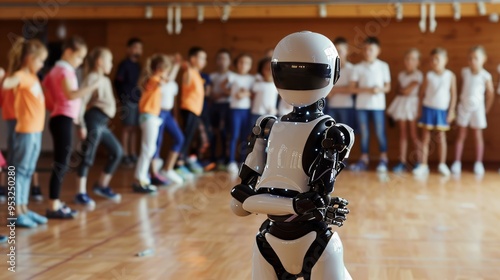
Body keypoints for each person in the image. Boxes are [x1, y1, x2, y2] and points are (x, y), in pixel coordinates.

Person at [43, 36, 100, 219]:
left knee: (63, 162)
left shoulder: (57, 70)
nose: (81, 62)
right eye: (79, 57)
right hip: (62, 119)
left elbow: (48, 93)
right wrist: (92, 87)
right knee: (61, 163)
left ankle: (56, 201)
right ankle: (53, 204)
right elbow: (71, 95)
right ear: (68, 52)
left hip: (63, 118)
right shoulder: (63, 71)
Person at [2, 37, 48, 227]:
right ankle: (14, 212)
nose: (42, 64)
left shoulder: (33, 77)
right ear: (29, 58)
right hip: (25, 130)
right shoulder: (21, 75)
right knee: (18, 170)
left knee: (28, 170)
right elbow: (6, 84)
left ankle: (23, 208)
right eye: (40, 60)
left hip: (36, 131)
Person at [75, 47, 123, 207]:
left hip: (103, 122)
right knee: (88, 156)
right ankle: (80, 192)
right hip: (93, 120)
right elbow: (81, 102)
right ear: (100, 62)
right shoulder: (92, 78)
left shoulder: (106, 80)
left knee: (117, 152)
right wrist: (81, 124)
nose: (111, 64)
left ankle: (102, 185)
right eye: (109, 60)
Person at [413, 48, 457, 176]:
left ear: (445, 60)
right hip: (428, 109)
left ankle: (442, 164)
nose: (434, 62)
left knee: (441, 138)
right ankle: (423, 165)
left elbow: (453, 94)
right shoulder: (429, 75)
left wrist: (451, 111)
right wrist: (419, 109)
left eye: (437, 59)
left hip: (442, 111)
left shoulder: (450, 75)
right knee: (425, 138)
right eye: (432, 59)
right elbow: (421, 94)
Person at [349, 37, 391, 172]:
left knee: (380, 132)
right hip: (362, 106)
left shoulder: (383, 66)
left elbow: (387, 87)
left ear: (378, 51)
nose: (368, 52)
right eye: (365, 49)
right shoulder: (357, 67)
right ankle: (364, 158)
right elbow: (352, 88)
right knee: (364, 134)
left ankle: (383, 159)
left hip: (378, 106)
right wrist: (368, 90)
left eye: (371, 49)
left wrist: (379, 90)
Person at [450, 46, 494, 176]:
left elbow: (490, 93)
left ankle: (478, 163)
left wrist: (486, 108)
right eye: (470, 58)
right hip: (464, 108)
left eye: (476, 58)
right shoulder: (464, 72)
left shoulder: (485, 75)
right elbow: (459, 88)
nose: (472, 61)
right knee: (461, 135)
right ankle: (457, 162)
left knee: (477, 135)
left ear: (483, 59)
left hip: (478, 109)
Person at [133, 54, 172, 193]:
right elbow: (160, 82)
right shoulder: (153, 79)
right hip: (148, 117)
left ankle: (143, 177)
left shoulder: (155, 79)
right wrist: (163, 77)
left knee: (149, 149)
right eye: (167, 69)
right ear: (161, 68)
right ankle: (140, 179)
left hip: (151, 117)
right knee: (148, 149)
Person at [387, 48, 424, 172]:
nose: (409, 62)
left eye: (413, 59)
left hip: (412, 105)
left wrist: (403, 91)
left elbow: (405, 91)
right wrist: (402, 91)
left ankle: (419, 161)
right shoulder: (401, 75)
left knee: (413, 134)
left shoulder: (418, 75)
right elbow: (398, 90)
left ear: (418, 62)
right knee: (402, 134)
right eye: (407, 59)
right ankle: (402, 161)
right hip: (402, 105)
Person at [151, 54, 184, 185]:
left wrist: (175, 117)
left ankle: (167, 169)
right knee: (157, 143)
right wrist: (175, 65)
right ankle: (154, 174)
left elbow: (173, 103)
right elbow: (168, 78)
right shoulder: (158, 81)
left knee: (180, 138)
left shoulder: (172, 84)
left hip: (168, 114)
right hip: (158, 113)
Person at [175, 47, 207, 180]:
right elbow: (186, 81)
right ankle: (178, 164)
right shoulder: (189, 71)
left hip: (195, 111)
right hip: (188, 109)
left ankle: (186, 160)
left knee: (194, 138)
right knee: (186, 137)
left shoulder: (197, 73)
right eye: (202, 58)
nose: (204, 61)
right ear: (193, 59)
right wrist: (185, 66)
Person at [115, 38, 143, 167]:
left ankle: (133, 153)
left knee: (134, 128)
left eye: (140, 48)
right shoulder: (124, 64)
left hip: (138, 101)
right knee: (127, 127)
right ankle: (124, 154)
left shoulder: (139, 66)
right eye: (135, 47)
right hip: (127, 100)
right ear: (129, 49)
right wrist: (122, 98)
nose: (138, 50)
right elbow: (117, 82)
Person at [226, 53, 255, 175]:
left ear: (250, 65)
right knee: (234, 135)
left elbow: (254, 93)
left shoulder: (252, 79)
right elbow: (224, 87)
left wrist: (245, 93)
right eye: (241, 62)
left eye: (247, 63)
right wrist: (232, 94)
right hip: (235, 110)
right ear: (237, 64)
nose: (243, 65)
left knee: (245, 136)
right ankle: (231, 161)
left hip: (247, 111)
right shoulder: (231, 76)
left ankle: (241, 160)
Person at [209, 49, 233, 169]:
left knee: (224, 132)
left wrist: (222, 94)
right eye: (219, 58)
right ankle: (212, 157)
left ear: (229, 61)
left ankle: (225, 158)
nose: (222, 61)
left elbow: (233, 92)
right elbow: (209, 92)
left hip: (227, 106)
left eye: (225, 58)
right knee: (213, 132)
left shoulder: (231, 76)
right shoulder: (212, 76)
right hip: (214, 106)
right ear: (216, 61)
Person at [327, 37, 356, 129]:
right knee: (331, 133)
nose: (338, 54)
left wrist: (333, 90)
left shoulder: (351, 69)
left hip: (346, 107)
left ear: (347, 51)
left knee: (346, 133)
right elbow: (326, 90)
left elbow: (351, 89)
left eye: (340, 51)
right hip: (331, 106)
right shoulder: (330, 69)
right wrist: (342, 89)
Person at [250, 57, 277, 126]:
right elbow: (252, 97)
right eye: (266, 68)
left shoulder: (276, 86)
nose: (269, 70)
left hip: (270, 114)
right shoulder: (257, 84)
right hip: (257, 113)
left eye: (271, 68)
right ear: (262, 70)